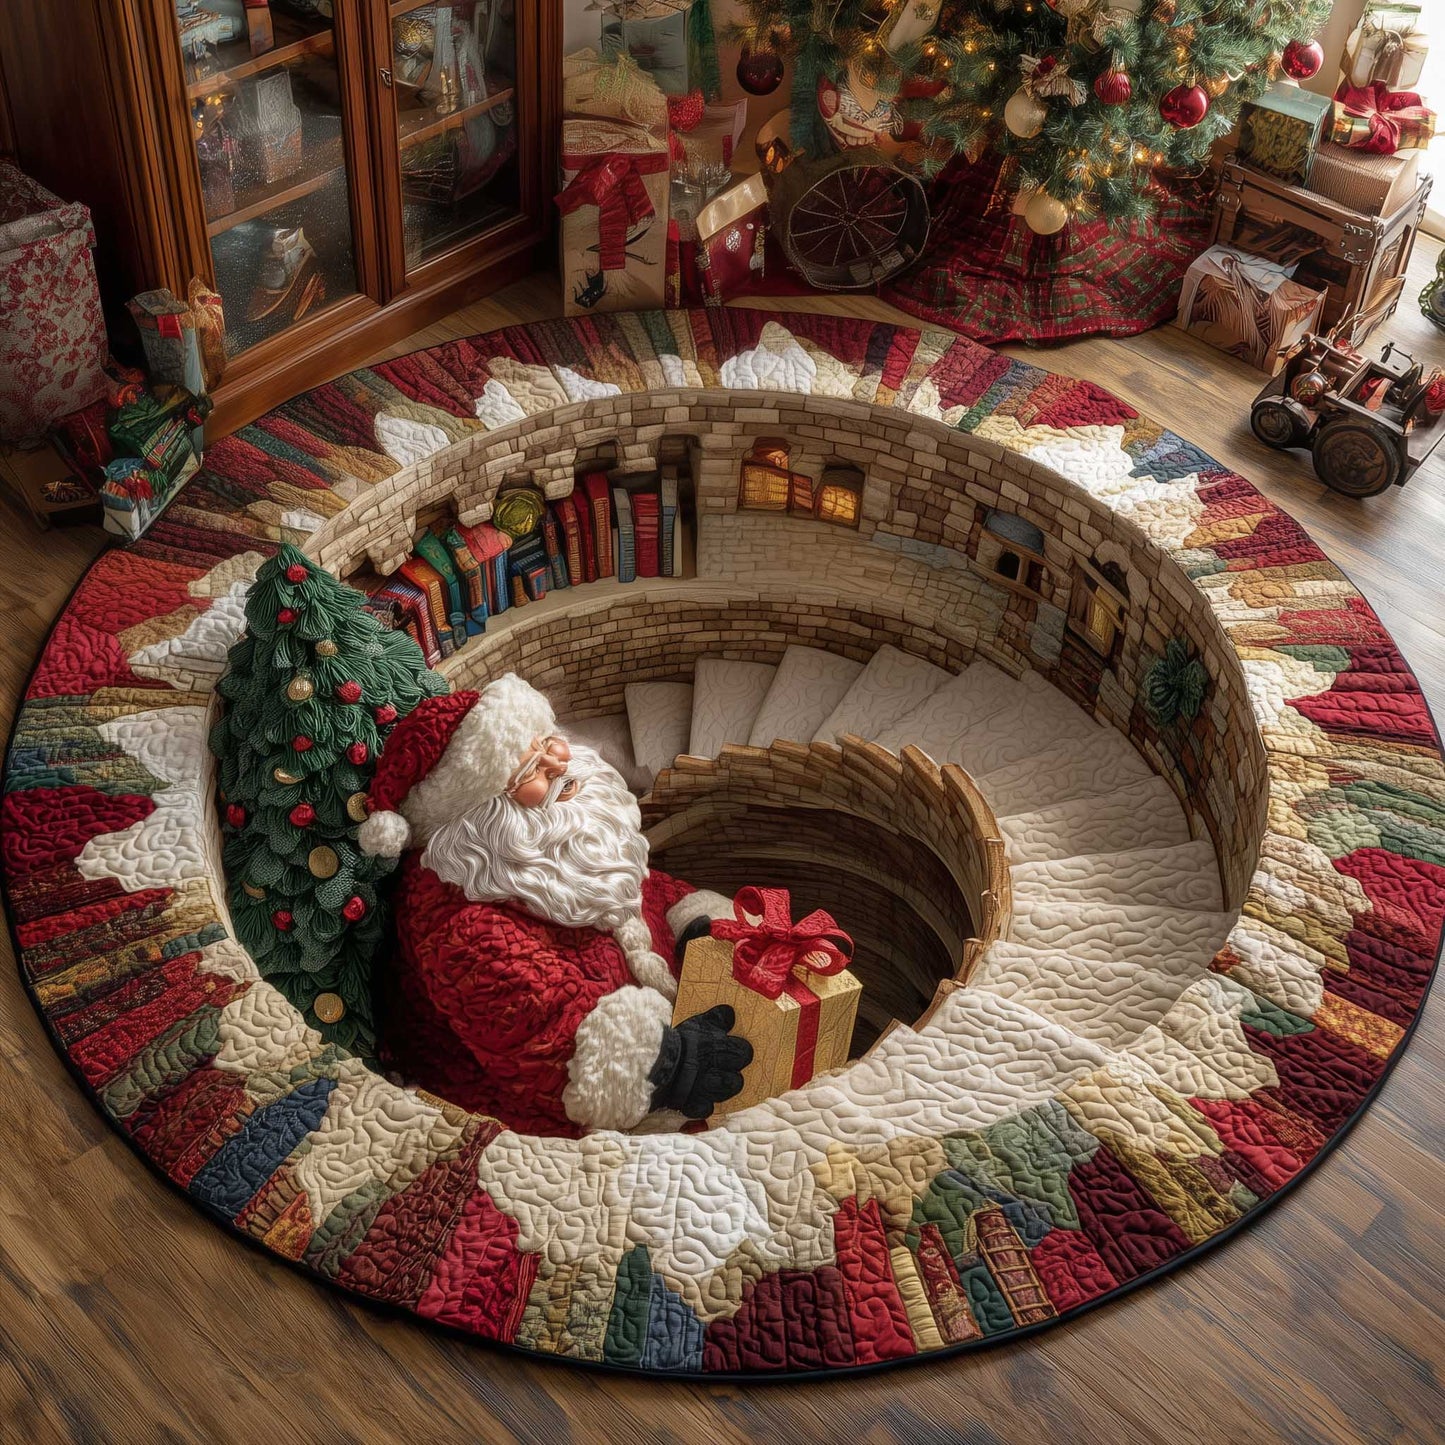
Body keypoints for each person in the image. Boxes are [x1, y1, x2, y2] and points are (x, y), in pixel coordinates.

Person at [358, 674, 752, 1136]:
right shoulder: (463, 927)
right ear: (481, 818)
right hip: (554, 1102)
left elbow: (630, 887)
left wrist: (691, 917)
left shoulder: (552, 836)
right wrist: (668, 1063)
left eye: (548, 742)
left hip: (645, 1003)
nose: (557, 763)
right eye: (528, 770)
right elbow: (546, 1038)